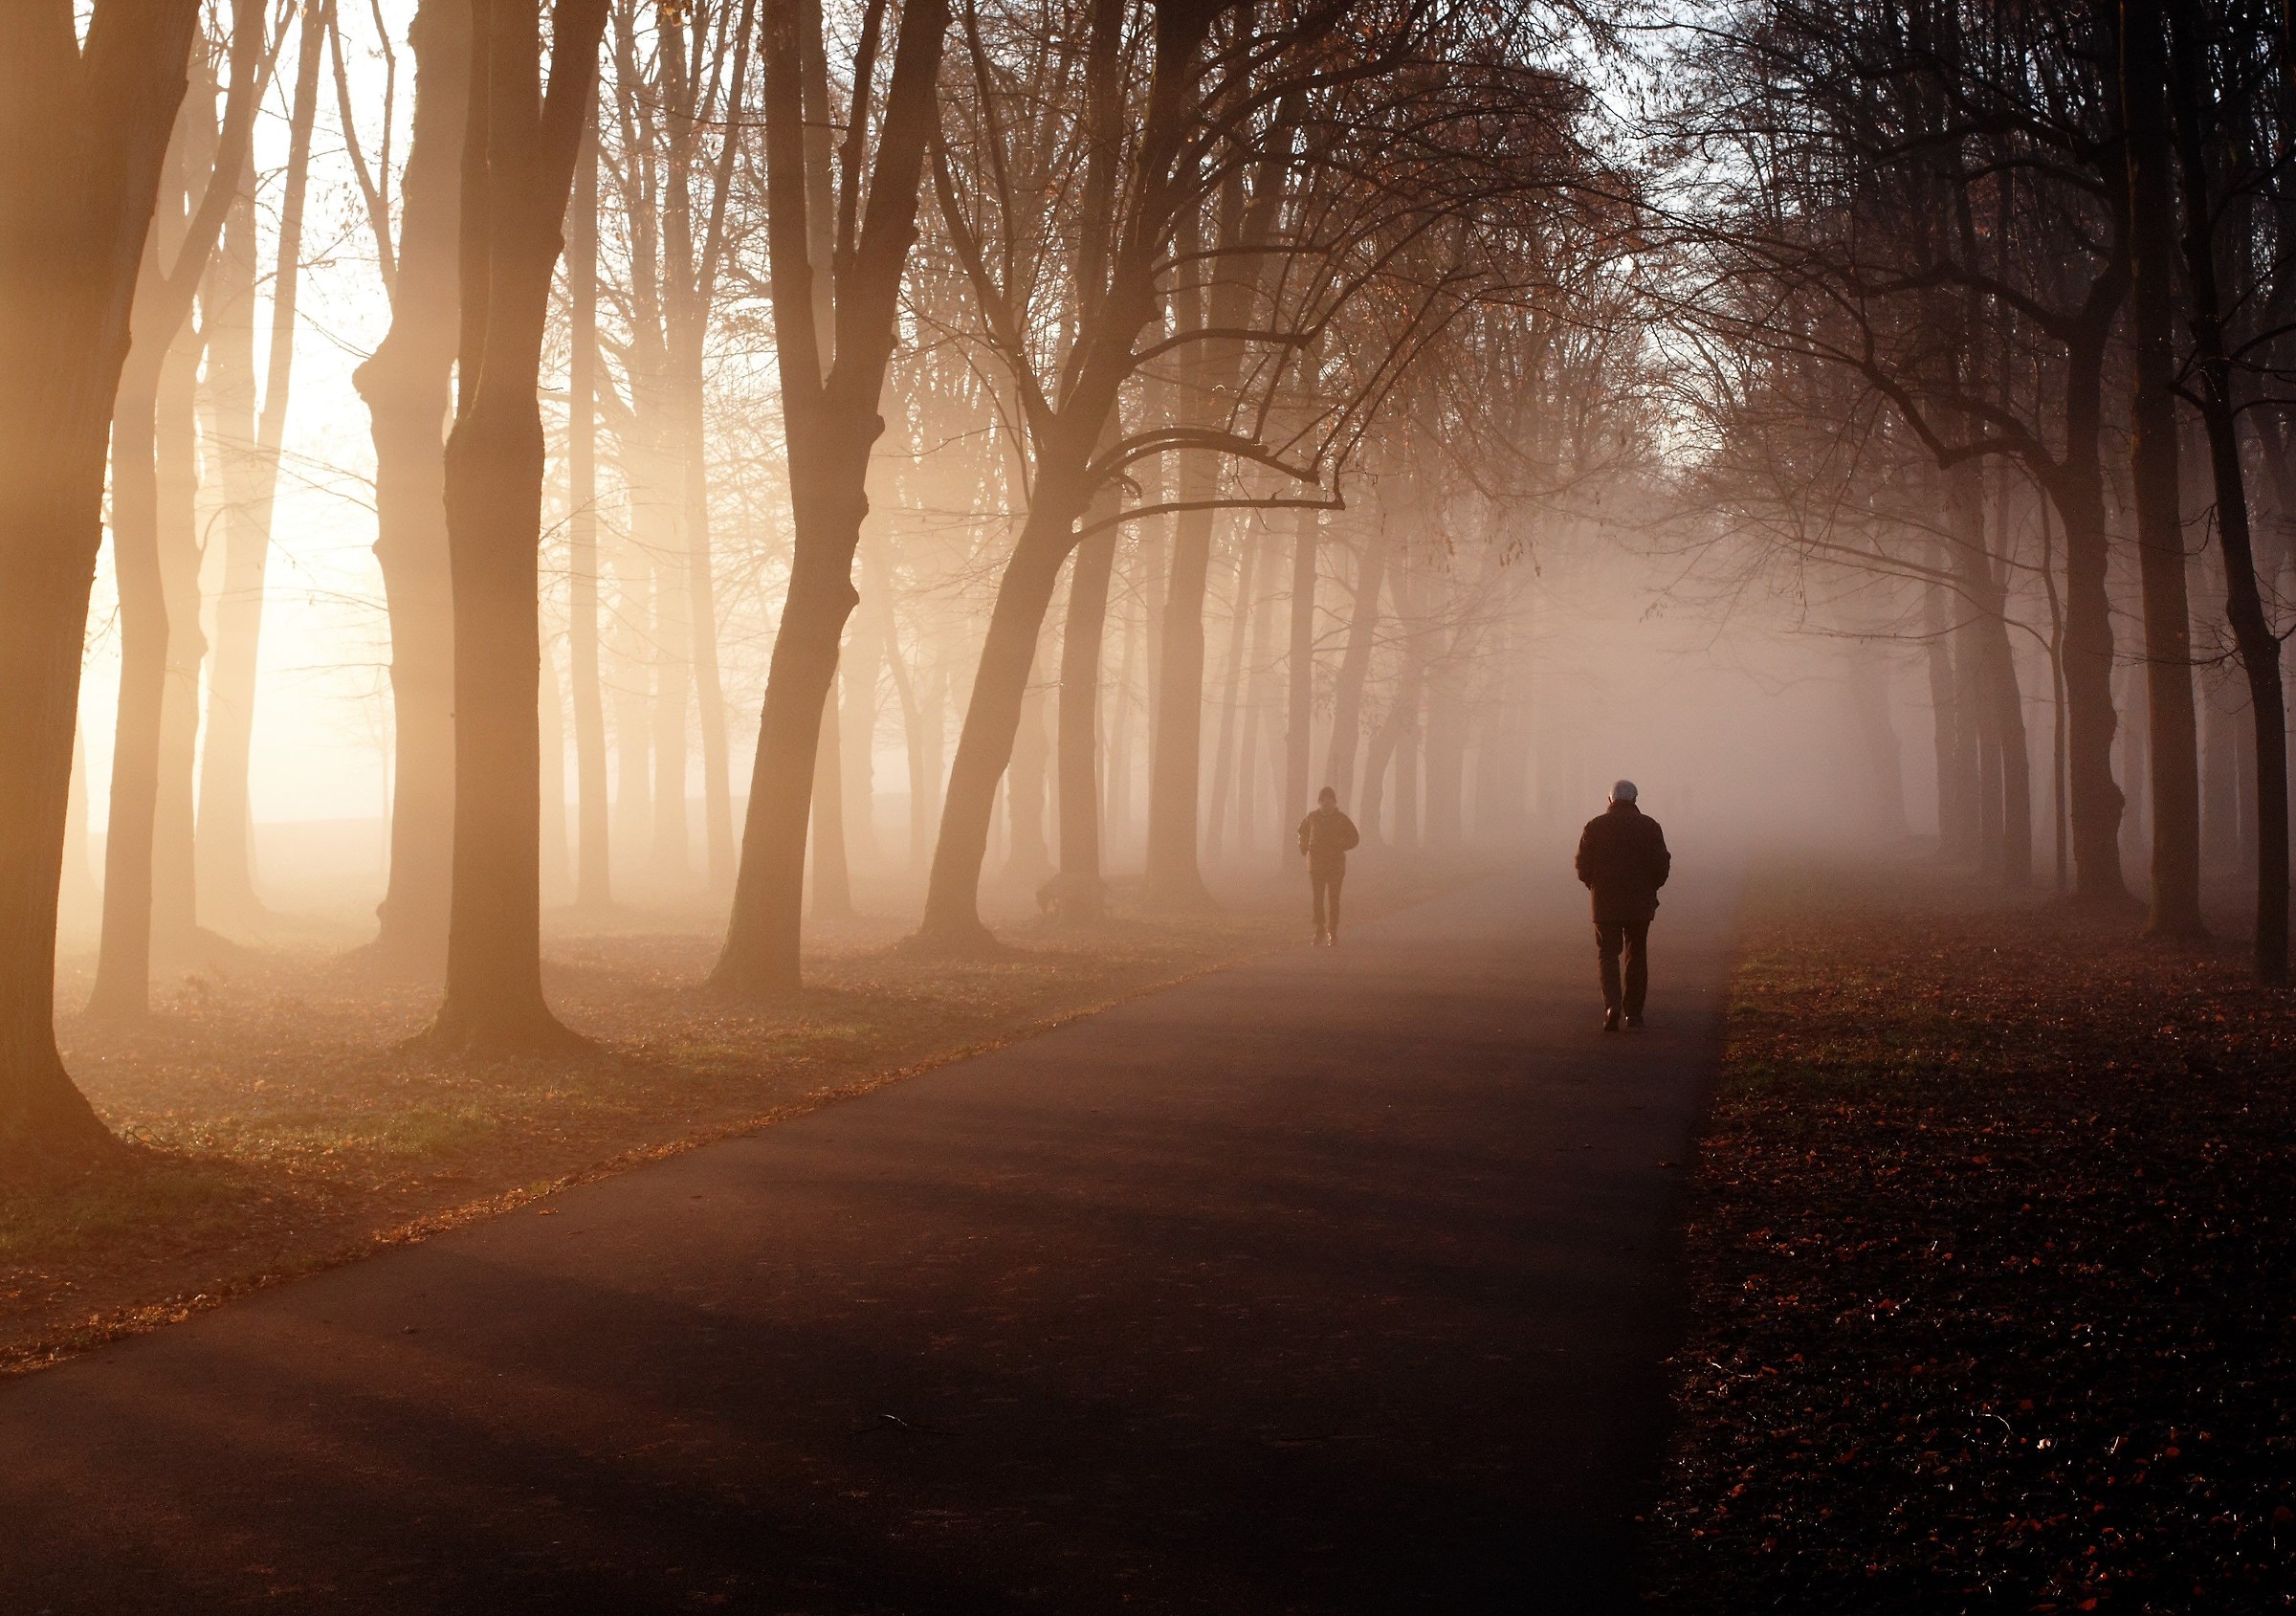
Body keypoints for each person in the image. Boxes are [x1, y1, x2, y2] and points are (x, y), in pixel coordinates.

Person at [1575, 780, 1670, 1031]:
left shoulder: (1594, 827)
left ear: (1610, 800)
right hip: (1640, 904)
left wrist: (1594, 886)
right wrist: (1651, 888)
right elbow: (1661, 865)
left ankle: (1612, 1006)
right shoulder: (1650, 827)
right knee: (1636, 953)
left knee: (1608, 953)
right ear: (1635, 800)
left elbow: (1582, 865)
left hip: (1605, 903)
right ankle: (1634, 1013)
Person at [1296, 786, 1360, 946]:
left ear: (1334, 802)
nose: (1327, 804)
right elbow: (1301, 832)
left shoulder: (1342, 819)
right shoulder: (1311, 818)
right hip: (1316, 865)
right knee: (1317, 898)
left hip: (1335, 865)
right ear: (1319, 802)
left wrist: (1341, 844)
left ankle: (1332, 931)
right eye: (1324, 801)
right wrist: (1303, 846)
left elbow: (1354, 838)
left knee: (1333, 898)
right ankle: (1319, 929)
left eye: (1330, 801)